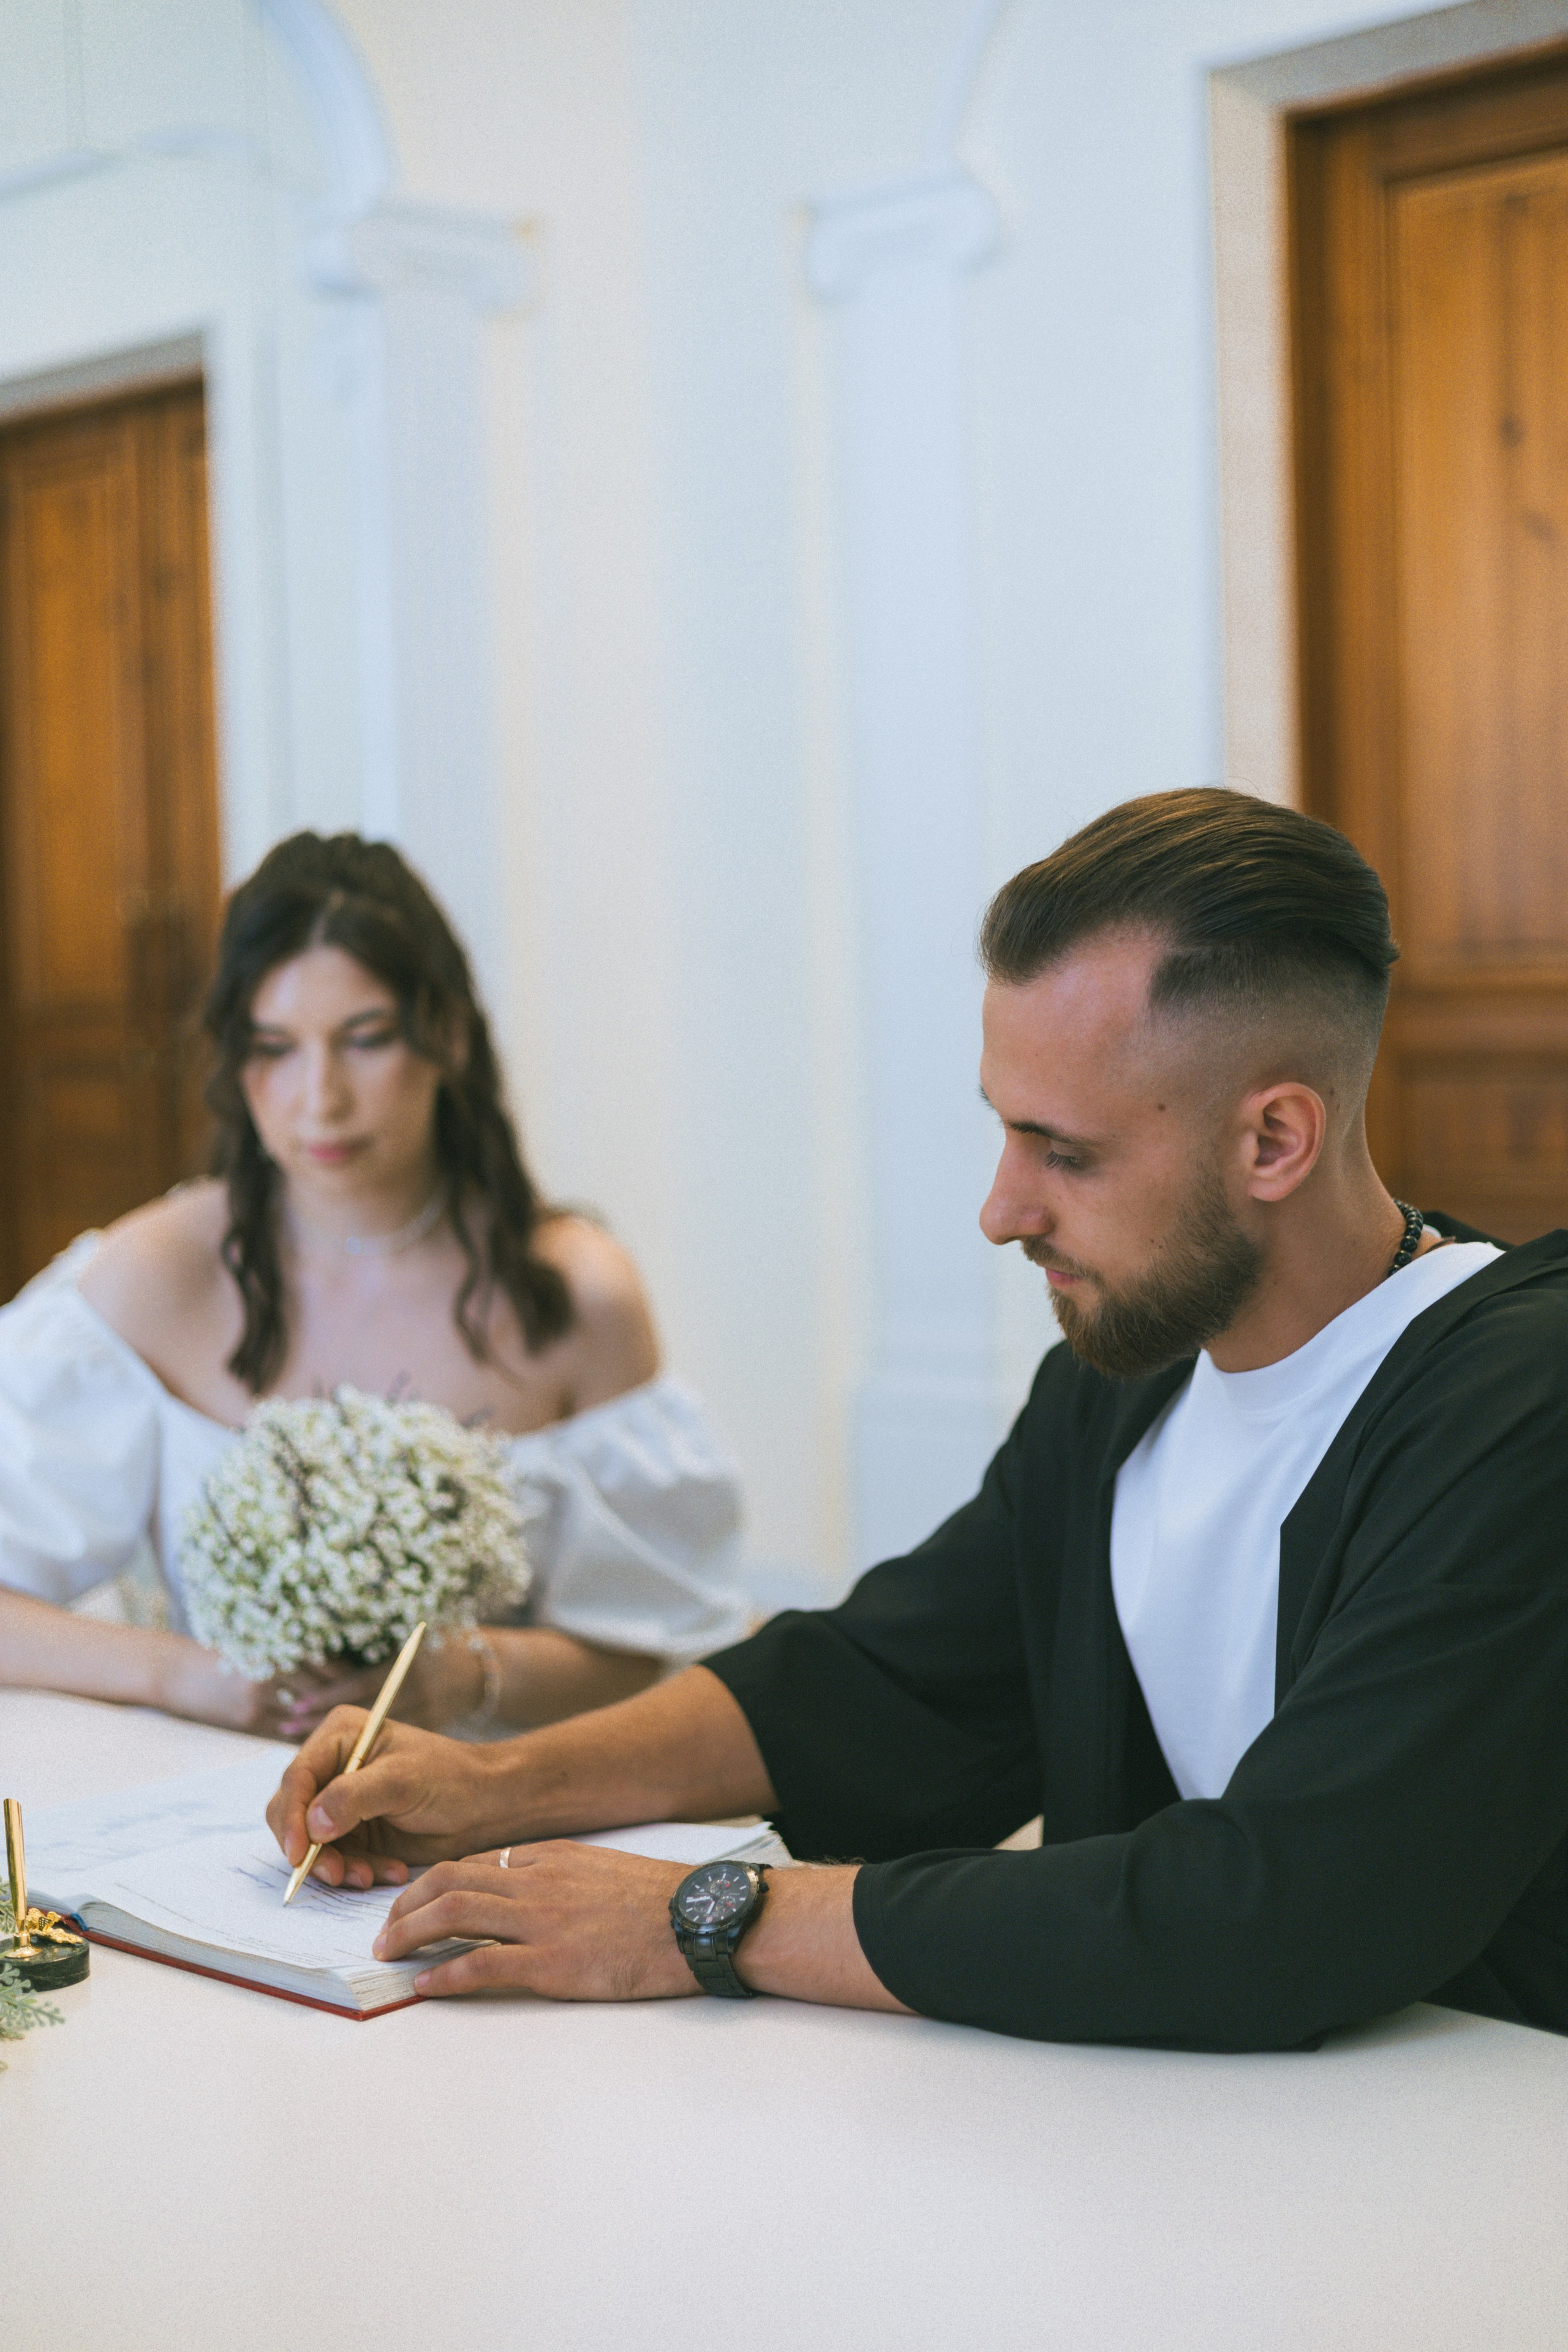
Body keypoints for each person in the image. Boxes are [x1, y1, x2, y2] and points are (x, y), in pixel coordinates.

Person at [266, 790, 1568, 2049]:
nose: (1001, 1211)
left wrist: (707, 1919)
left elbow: (1281, 1907)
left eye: (1065, 1153)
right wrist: (493, 1784)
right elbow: (887, 1682)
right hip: (1190, 2150)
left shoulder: (1519, 1405)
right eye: (1004, 1136)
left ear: (1274, 1140)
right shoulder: (1126, 1376)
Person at [0, 833, 751, 1740]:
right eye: (275, 1048)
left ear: (448, 1038)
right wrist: (192, 1677)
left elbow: (661, 1644)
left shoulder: (571, 1294)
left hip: (498, 1810)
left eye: (365, 1040)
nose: (321, 1099)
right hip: (214, 1793)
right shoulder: (159, 1276)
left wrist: (467, 1676)